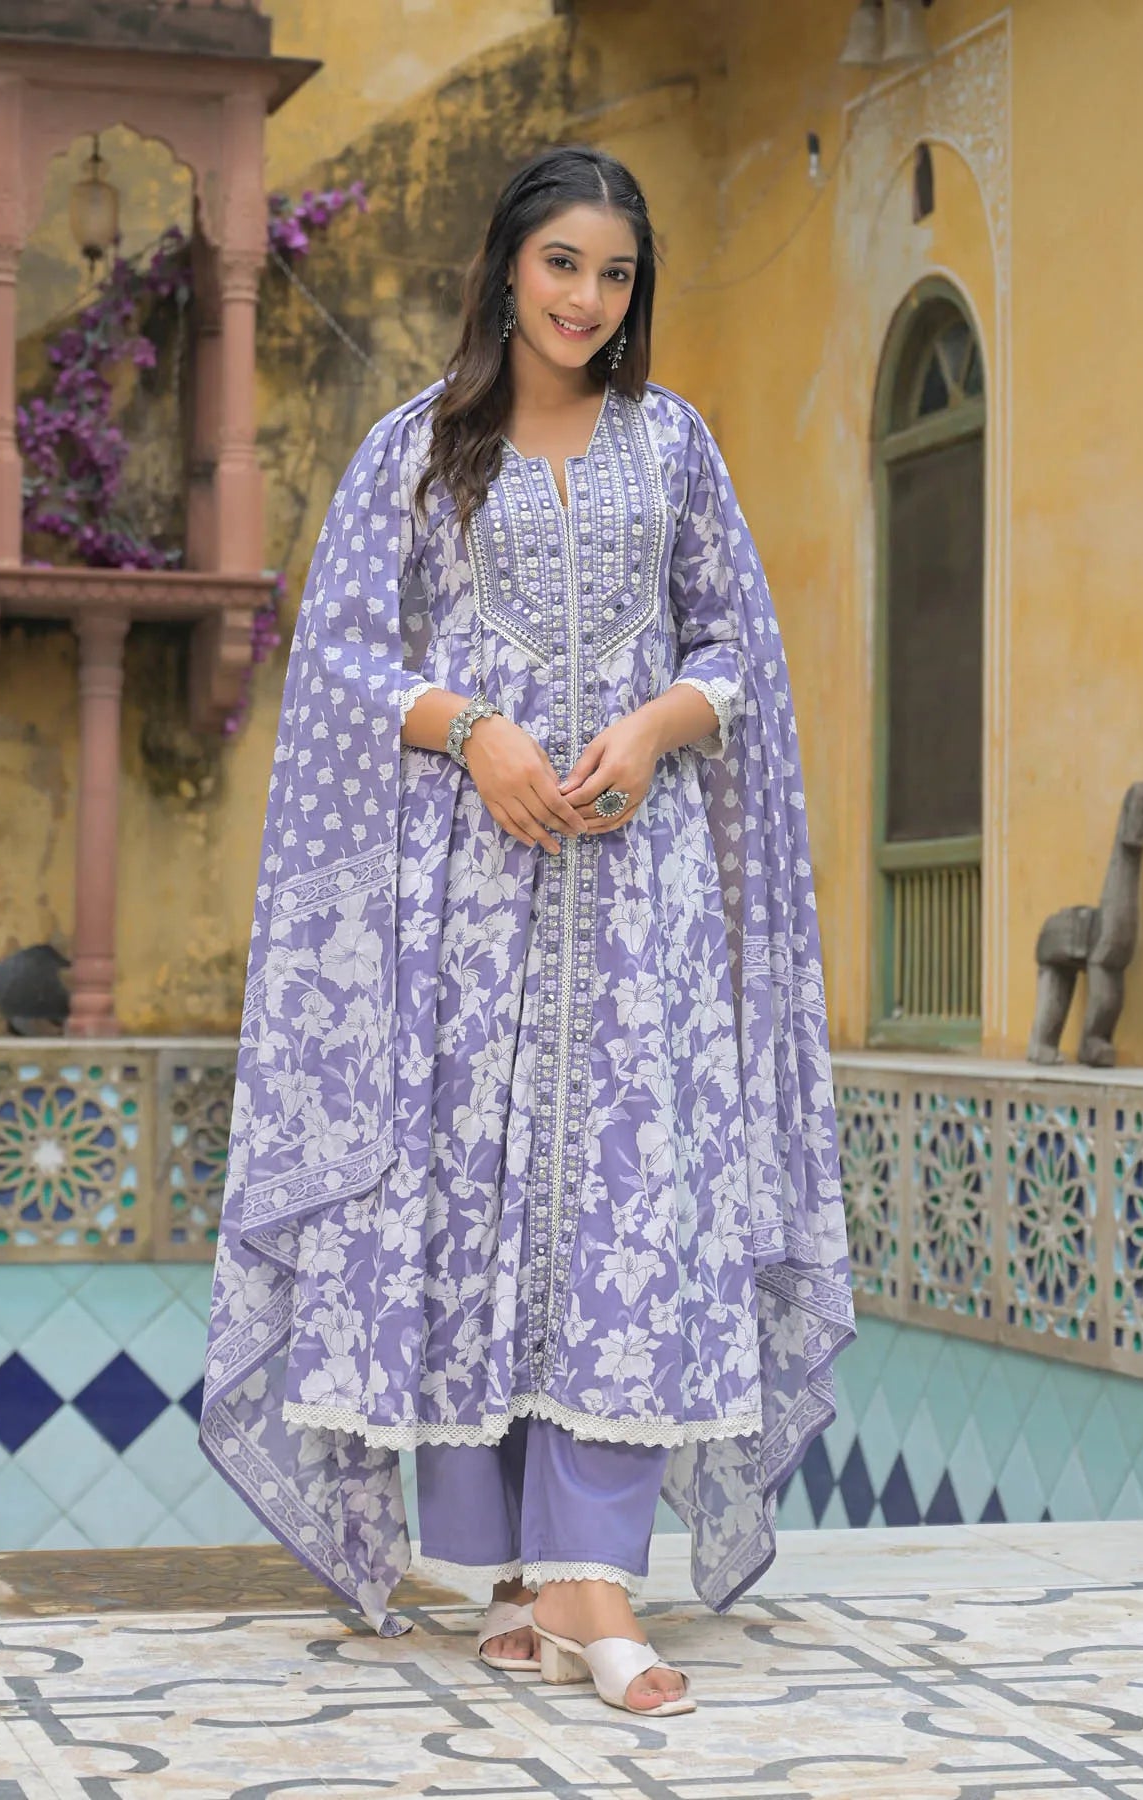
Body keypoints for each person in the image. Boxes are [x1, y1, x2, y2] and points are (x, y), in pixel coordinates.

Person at [200, 144, 855, 1717]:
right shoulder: (415, 454)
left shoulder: (674, 445)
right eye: (563, 263)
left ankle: (591, 1586)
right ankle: (513, 1579)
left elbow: (738, 644)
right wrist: (476, 728)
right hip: (467, 911)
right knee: (482, 1204)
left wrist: (659, 722)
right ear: (508, 268)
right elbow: (346, 661)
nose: (587, 297)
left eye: (616, 273)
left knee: (630, 1204)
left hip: (639, 906)